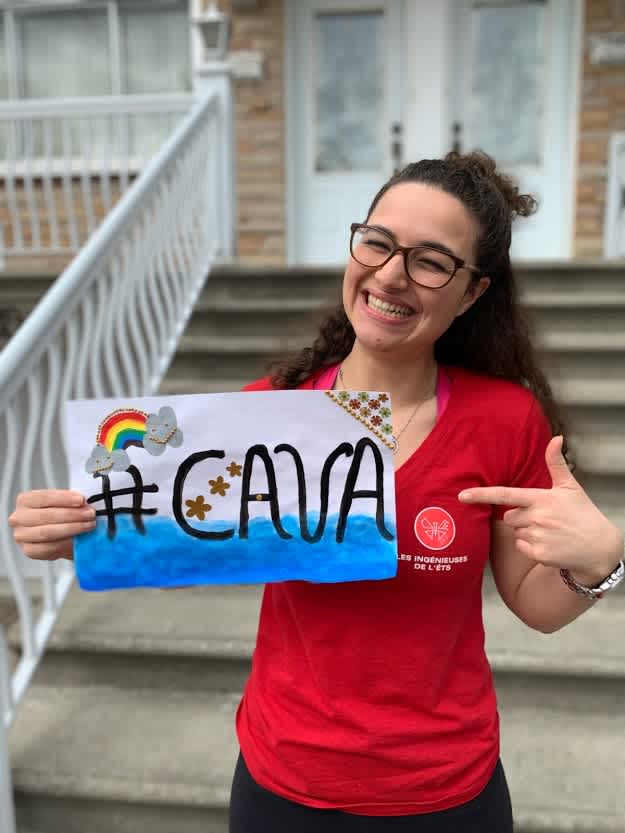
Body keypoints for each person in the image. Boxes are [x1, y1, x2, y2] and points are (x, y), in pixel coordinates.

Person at [9, 151, 625, 833]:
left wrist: (598, 561)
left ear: (472, 292)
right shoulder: (266, 413)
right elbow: (174, 529)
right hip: (283, 784)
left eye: (430, 261)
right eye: (377, 242)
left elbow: (535, 604)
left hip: (445, 791)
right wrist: (83, 530)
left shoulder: (504, 419)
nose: (390, 274)